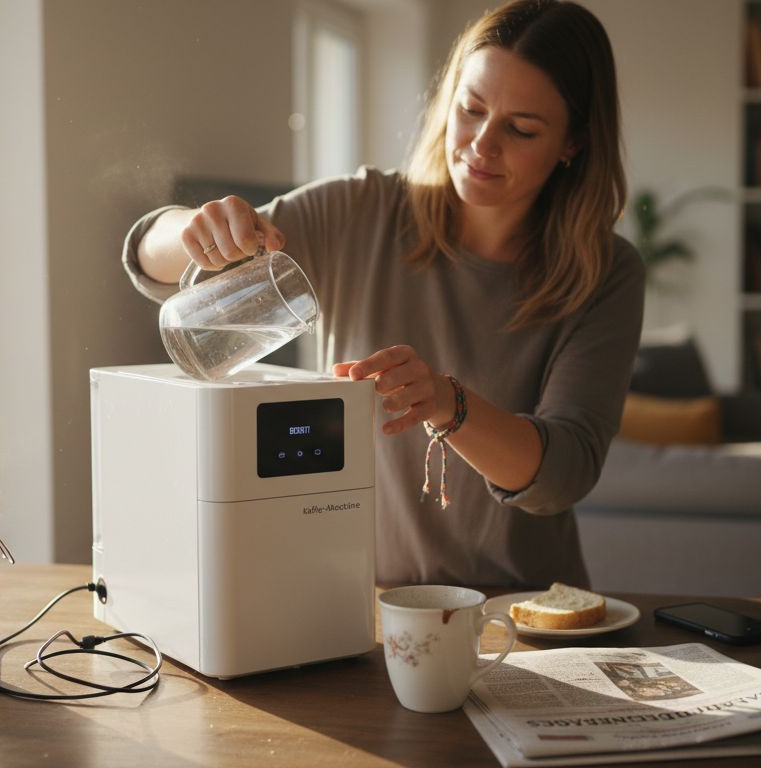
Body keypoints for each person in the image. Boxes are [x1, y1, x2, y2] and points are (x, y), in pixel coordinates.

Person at [122, 0, 644, 588]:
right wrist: (192, 228)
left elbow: (563, 475)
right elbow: (149, 262)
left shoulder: (606, 273)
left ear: (574, 142)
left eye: (521, 129)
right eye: (470, 109)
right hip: (355, 604)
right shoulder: (361, 211)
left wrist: (449, 404)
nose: (480, 144)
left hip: (520, 617)